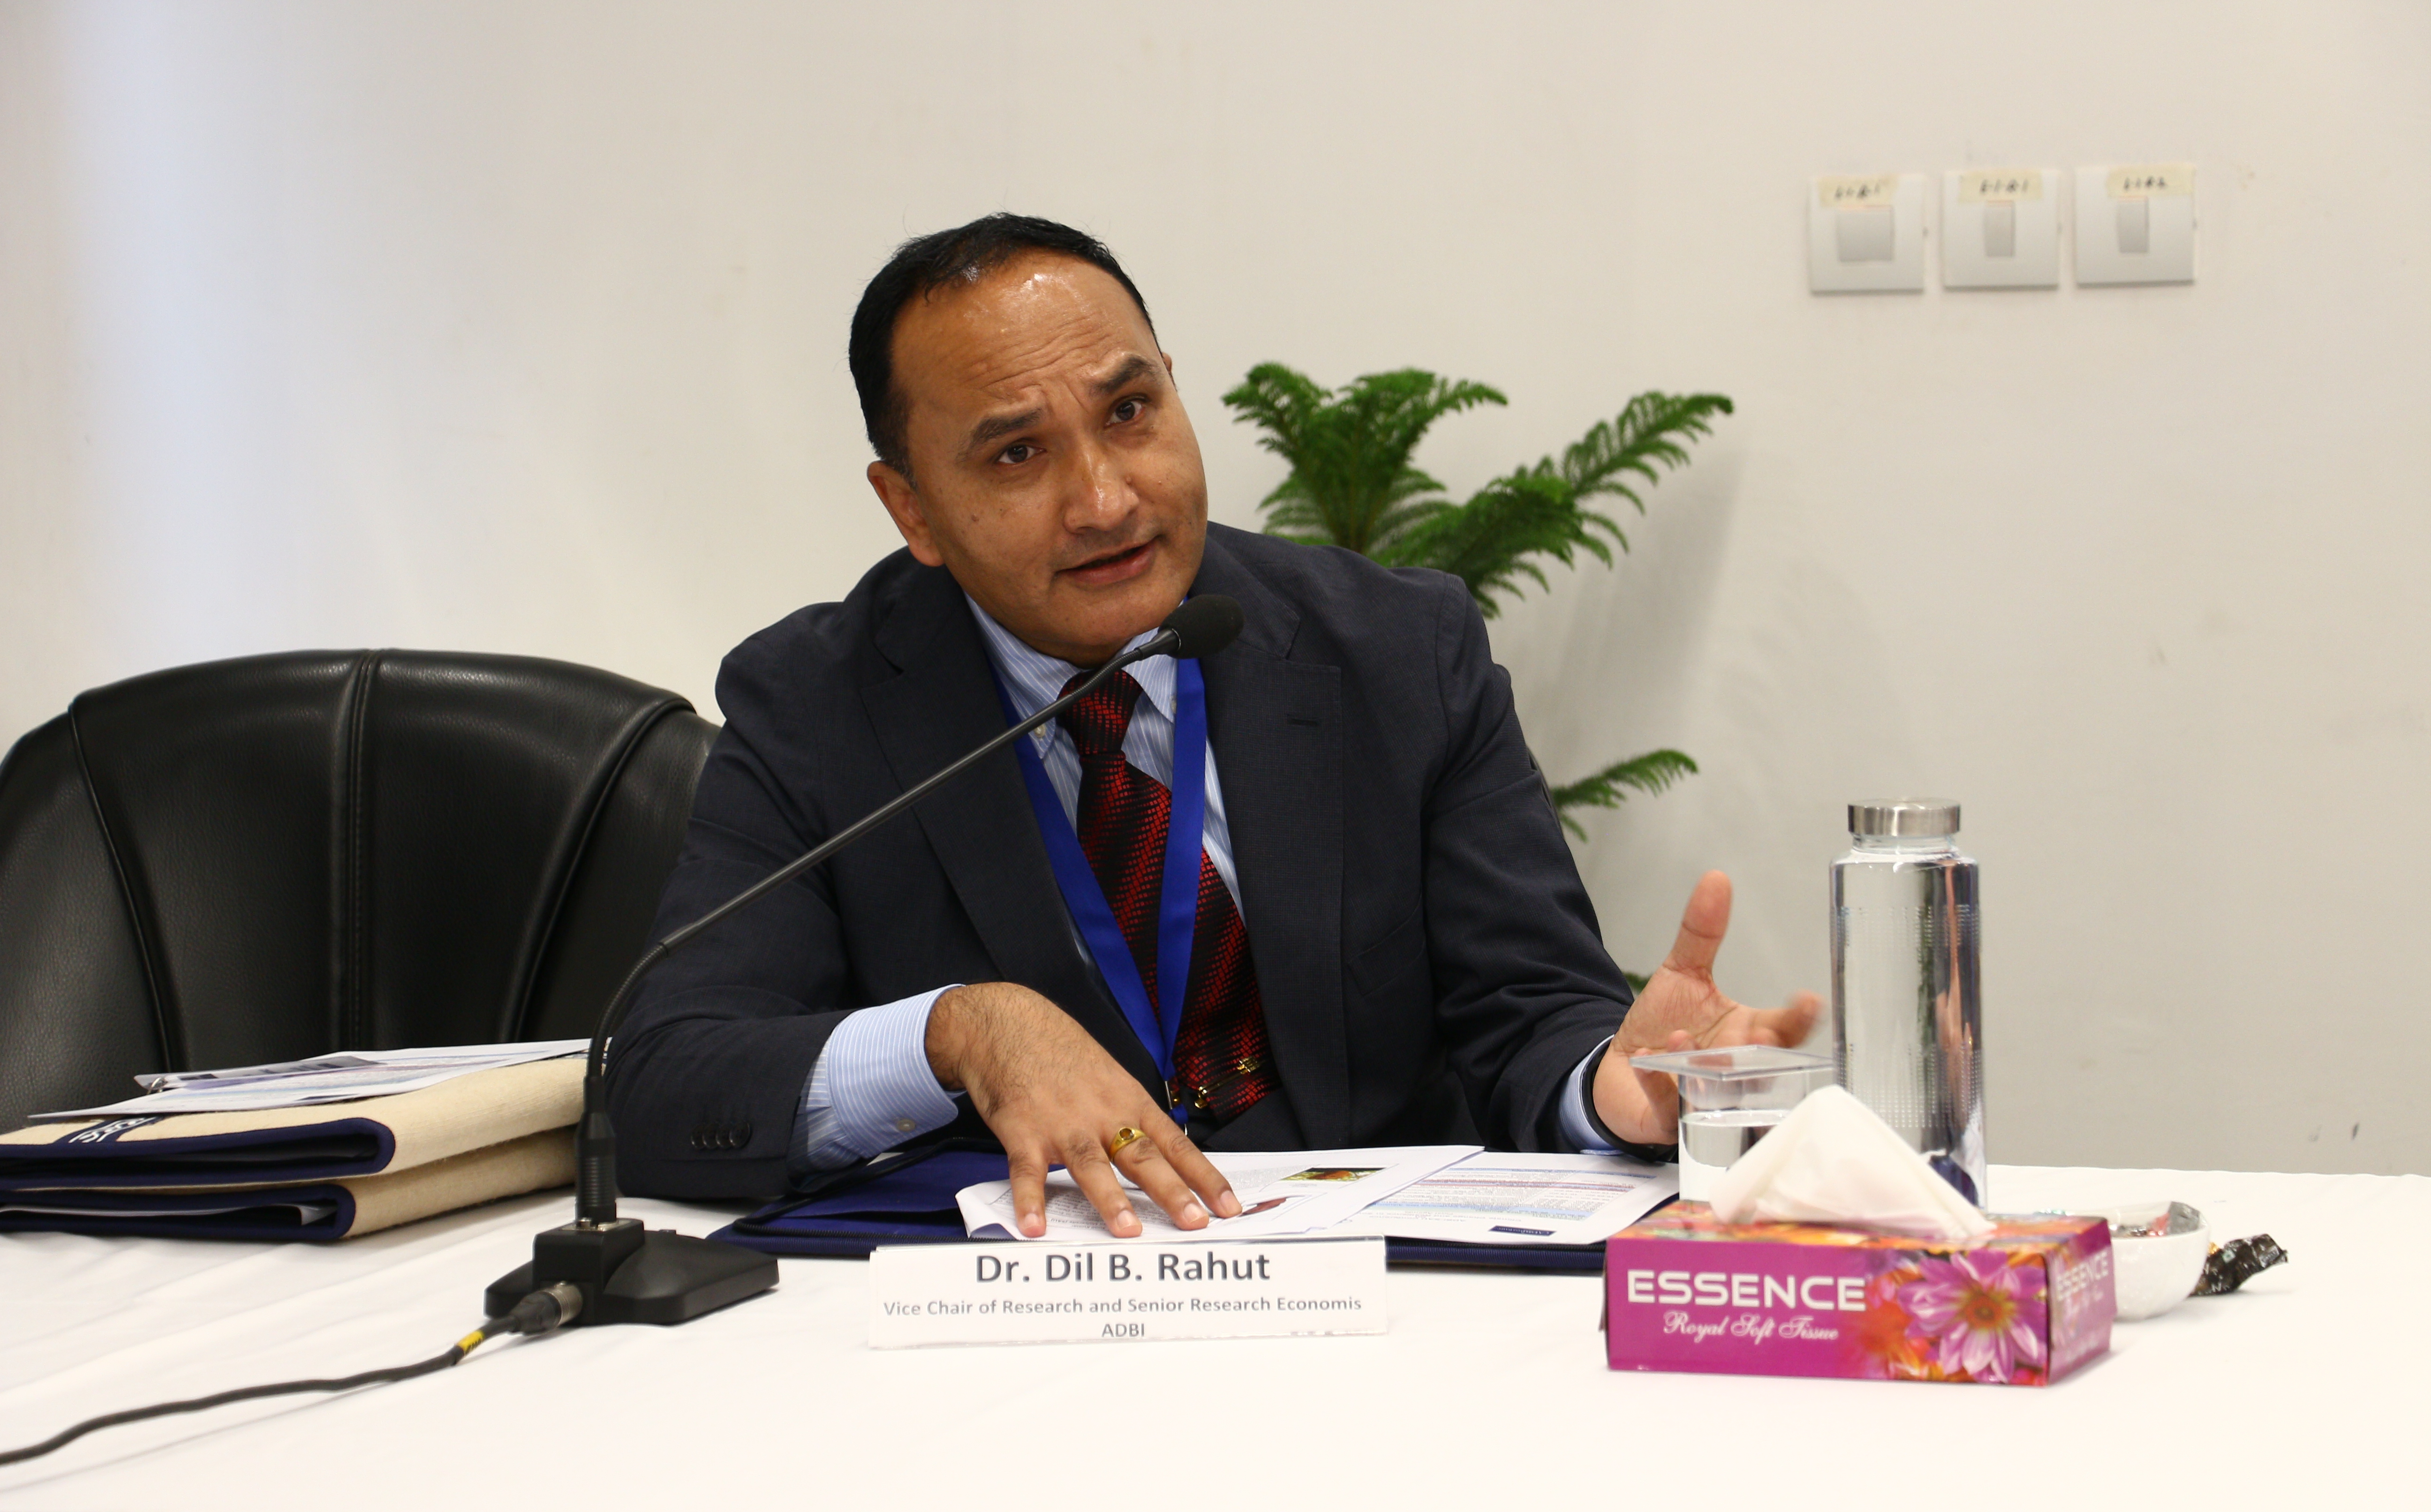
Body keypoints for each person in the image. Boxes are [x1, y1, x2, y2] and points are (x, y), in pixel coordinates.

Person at [608, 214, 1817, 1237]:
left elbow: (1531, 1013)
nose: (1105, 499)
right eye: (1018, 453)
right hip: (1031, 1323)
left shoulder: (1398, 650)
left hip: (1385, 1304)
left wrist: (1612, 1089)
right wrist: (955, 1032)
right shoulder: (820, 703)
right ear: (912, 509)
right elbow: (662, 1079)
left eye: (1130, 411)